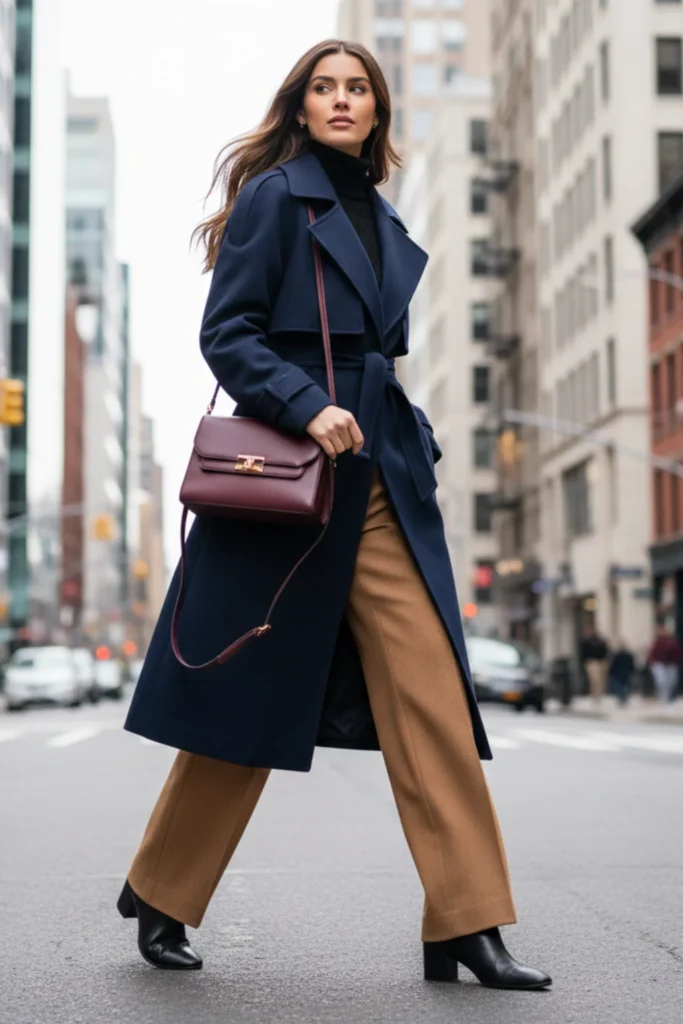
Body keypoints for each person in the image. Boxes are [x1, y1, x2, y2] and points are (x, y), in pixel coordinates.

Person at [118, 40, 550, 991]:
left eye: (357, 88)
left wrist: (405, 427)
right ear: (302, 107)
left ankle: (464, 921)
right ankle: (160, 889)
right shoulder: (279, 198)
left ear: (377, 109)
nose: (342, 100)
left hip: (380, 478)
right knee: (248, 702)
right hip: (294, 482)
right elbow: (225, 332)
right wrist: (303, 402)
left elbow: (375, 354)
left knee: (431, 694)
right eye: (325, 88)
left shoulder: (386, 220)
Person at [647, 623, 682, 705]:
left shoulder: (673, 642)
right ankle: (663, 698)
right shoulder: (658, 642)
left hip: (671, 664)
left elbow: (677, 652)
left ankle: (668, 697)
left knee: (672, 682)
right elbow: (653, 653)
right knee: (661, 682)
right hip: (659, 664)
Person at [580, 625, 609, 704]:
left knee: (600, 680)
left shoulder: (600, 641)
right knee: (594, 680)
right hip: (591, 662)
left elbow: (605, 651)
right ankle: (594, 696)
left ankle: (599, 696)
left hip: (600, 662)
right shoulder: (586, 642)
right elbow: (583, 653)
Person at [608, 641, 635, 707]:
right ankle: (622, 697)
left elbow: (631, 664)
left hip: (623, 673)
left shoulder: (625, 656)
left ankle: (623, 697)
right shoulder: (618, 656)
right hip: (621, 674)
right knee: (622, 686)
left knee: (622, 686)